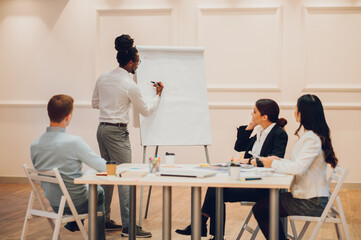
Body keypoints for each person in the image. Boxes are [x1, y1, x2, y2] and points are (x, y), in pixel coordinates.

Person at [176, 99, 288, 240]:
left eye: (254, 111)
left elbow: (275, 159)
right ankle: (208, 229)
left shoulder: (278, 134)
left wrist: (249, 161)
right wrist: (250, 127)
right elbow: (239, 146)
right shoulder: (259, 131)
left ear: (265, 117)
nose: (251, 113)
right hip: (248, 179)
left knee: (217, 190)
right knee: (216, 188)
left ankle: (204, 227)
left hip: (262, 186)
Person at [92, 34, 163, 237]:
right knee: (125, 177)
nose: (138, 65)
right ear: (130, 62)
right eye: (138, 61)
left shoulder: (103, 77)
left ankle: (104, 219)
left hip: (102, 130)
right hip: (117, 132)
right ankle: (129, 227)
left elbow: (95, 103)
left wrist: (112, 104)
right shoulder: (129, 85)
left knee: (109, 175)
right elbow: (147, 110)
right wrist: (158, 96)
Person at [253, 94, 337, 239]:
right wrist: (277, 160)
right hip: (309, 197)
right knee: (263, 206)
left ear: (303, 113)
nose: (294, 112)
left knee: (261, 209)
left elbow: (298, 168)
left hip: (312, 202)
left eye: (296, 109)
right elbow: (296, 163)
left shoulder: (311, 139)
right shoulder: (311, 136)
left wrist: (273, 163)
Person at [30, 94, 107, 240]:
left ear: (49, 113)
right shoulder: (74, 142)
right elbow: (102, 167)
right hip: (76, 205)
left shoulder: (34, 145)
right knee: (99, 192)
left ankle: (74, 224)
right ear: (68, 116)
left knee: (80, 177)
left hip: (55, 205)